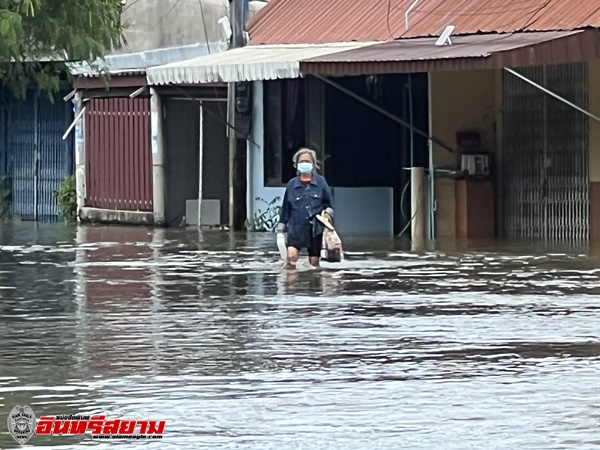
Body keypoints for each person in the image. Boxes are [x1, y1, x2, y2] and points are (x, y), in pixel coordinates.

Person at [277, 148, 334, 269]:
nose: (304, 164)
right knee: (291, 258)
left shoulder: (321, 182)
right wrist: (280, 230)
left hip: (315, 230)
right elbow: (286, 208)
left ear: (313, 164)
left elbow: (329, 205)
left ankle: (314, 286)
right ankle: (290, 285)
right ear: (296, 164)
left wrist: (328, 215)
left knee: (314, 263)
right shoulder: (292, 184)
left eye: (307, 161)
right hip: (295, 229)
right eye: (301, 161)